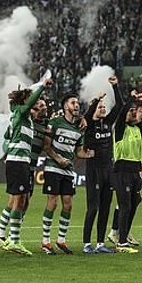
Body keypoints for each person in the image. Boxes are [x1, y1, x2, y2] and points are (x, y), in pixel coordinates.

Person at [0, 78, 52, 256]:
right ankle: (13, 240)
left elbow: (7, 134)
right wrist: (42, 87)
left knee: (23, 200)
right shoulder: (20, 111)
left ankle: (12, 238)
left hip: (23, 162)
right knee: (18, 200)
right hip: (17, 161)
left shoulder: (22, 117)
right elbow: (27, 107)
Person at [41, 93, 93, 255]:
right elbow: (46, 146)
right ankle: (45, 241)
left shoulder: (79, 128)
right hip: (53, 167)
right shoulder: (55, 122)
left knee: (68, 205)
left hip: (68, 170)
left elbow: (78, 152)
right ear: (65, 106)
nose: (76, 105)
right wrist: (58, 159)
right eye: (73, 102)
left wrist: (92, 154)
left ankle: (61, 240)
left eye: (77, 103)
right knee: (53, 202)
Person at [111, 90, 142, 253]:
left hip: (135, 172)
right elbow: (123, 110)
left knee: (134, 203)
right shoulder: (120, 128)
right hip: (122, 171)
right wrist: (131, 99)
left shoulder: (137, 128)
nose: (134, 113)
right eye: (131, 111)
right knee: (125, 206)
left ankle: (122, 236)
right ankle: (121, 243)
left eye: (135, 111)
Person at [81, 76, 123, 254]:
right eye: (100, 107)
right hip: (94, 170)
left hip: (108, 170)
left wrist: (115, 87)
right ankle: (86, 244)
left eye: (104, 107)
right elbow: (86, 115)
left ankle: (100, 243)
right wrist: (96, 100)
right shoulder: (89, 124)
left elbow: (120, 105)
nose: (103, 108)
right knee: (93, 208)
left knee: (105, 208)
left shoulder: (108, 123)